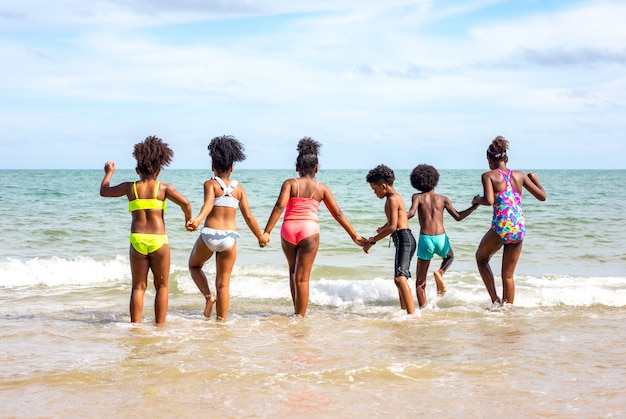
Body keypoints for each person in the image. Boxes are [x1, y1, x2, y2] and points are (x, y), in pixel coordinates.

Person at [262, 137, 365, 317]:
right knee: (303, 278)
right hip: (309, 230)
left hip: (288, 230)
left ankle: (296, 312)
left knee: (293, 273)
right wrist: (354, 236)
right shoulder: (322, 188)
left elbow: (279, 206)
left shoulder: (290, 183)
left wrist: (267, 231)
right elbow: (338, 213)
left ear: (297, 167)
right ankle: (300, 318)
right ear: (317, 168)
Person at [100, 135, 192, 324]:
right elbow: (186, 203)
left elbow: (104, 191)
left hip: (137, 240)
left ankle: (136, 327)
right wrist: (188, 220)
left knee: (138, 287)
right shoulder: (163, 188)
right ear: (159, 170)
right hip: (159, 241)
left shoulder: (129, 188)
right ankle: (159, 327)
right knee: (162, 286)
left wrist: (109, 172)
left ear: (137, 170)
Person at [186, 135, 269, 321]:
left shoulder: (210, 184)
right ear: (232, 168)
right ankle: (221, 322)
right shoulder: (239, 189)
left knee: (194, 265)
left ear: (212, 167)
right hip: (229, 238)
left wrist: (198, 220)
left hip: (209, 235)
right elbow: (248, 216)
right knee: (223, 284)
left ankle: (208, 297)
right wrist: (261, 236)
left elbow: (207, 206)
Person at [473, 136, 546, 305]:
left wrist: (477, 199)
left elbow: (489, 200)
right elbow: (542, 196)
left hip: (501, 227)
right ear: (506, 158)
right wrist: (535, 180)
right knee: (508, 275)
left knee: (481, 259)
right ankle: (508, 312)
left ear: (490, 159)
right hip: (519, 227)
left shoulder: (488, 176)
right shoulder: (519, 175)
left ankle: (496, 301)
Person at [407, 164, 478, 308]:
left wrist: (395, 218)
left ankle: (423, 310)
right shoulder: (443, 199)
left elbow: (411, 213)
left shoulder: (417, 197)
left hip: (425, 239)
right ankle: (440, 271)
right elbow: (458, 217)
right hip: (441, 238)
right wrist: (475, 206)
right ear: (435, 180)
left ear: (417, 182)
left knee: (420, 282)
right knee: (450, 257)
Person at [363, 164, 416, 314]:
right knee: (400, 278)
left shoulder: (392, 199)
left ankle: (412, 315)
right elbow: (397, 219)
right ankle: (404, 311)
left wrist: (372, 240)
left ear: (384, 186)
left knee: (400, 279)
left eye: (375, 189)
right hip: (404, 239)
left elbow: (393, 227)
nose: (375, 193)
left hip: (404, 238)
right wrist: (383, 227)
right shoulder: (394, 197)